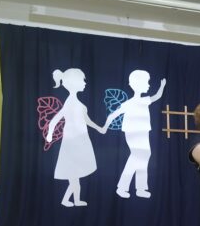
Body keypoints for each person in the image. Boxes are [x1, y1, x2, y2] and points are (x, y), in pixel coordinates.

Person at [101, 71, 166, 199]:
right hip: (133, 133)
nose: (148, 85)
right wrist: (104, 127)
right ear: (138, 84)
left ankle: (140, 188)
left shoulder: (144, 100)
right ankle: (122, 187)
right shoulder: (129, 104)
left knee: (144, 157)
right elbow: (113, 115)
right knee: (136, 157)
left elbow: (157, 96)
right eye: (146, 82)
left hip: (143, 132)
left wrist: (162, 86)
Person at [46, 68, 102, 207]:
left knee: (75, 175)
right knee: (74, 175)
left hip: (80, 142)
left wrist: (99, 128)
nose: (85, 83)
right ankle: (69, 200)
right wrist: (49, 134)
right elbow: (54, 120)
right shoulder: (70, 103)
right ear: (74, 83)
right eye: (82, 80)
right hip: (72, 143)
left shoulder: (75, 103)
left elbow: (87, 120)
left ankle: (72, 200)